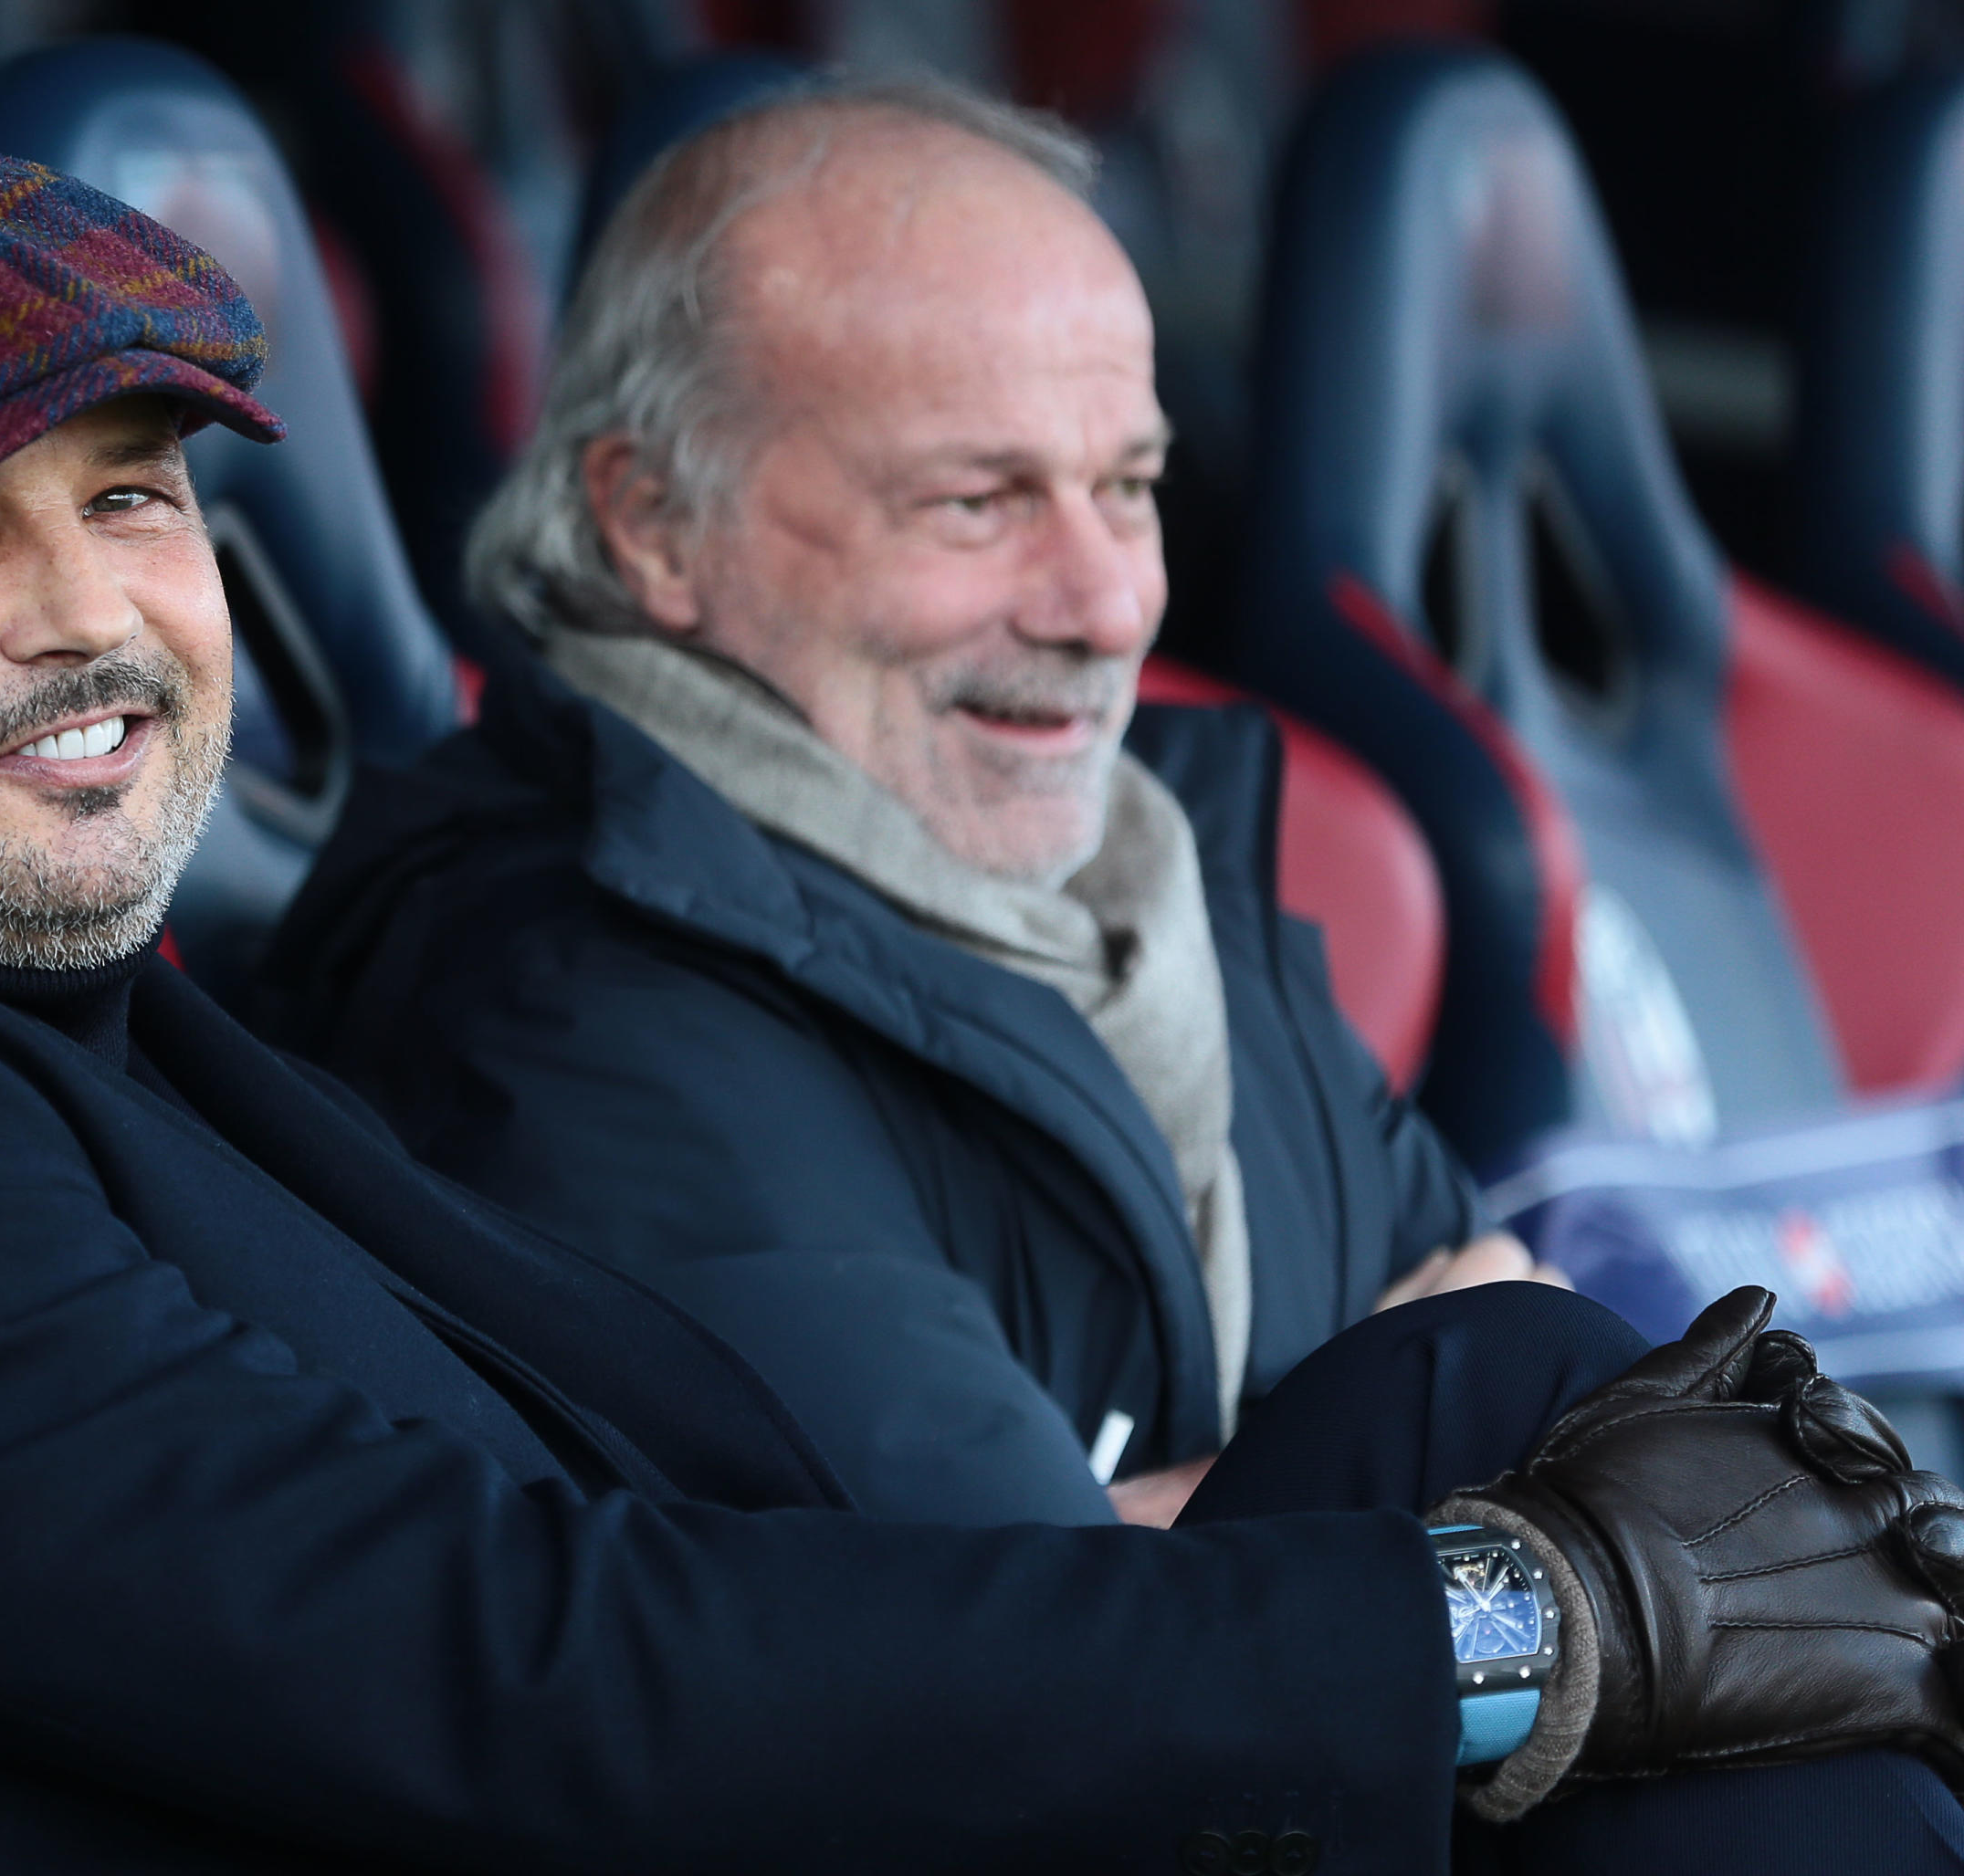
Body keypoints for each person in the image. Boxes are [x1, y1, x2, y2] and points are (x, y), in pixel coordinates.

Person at [0, 144, 1964, 1875]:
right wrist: (1502, 1626)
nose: (90, 611)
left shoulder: (14, 998)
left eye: (133, 498)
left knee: (1515, 1406)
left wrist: (1523, 1544)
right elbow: (513, 1666)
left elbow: (643, 1548)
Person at [263, 79, 1547, 1533]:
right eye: (975, 502)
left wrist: (1246, 1501)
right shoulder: (566, 998)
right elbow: (1032, 1658)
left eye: (1126, 487)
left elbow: (1556, 1366)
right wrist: (1439, 1465)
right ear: (655, 523)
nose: (1109, 601)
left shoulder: (1144, 866)